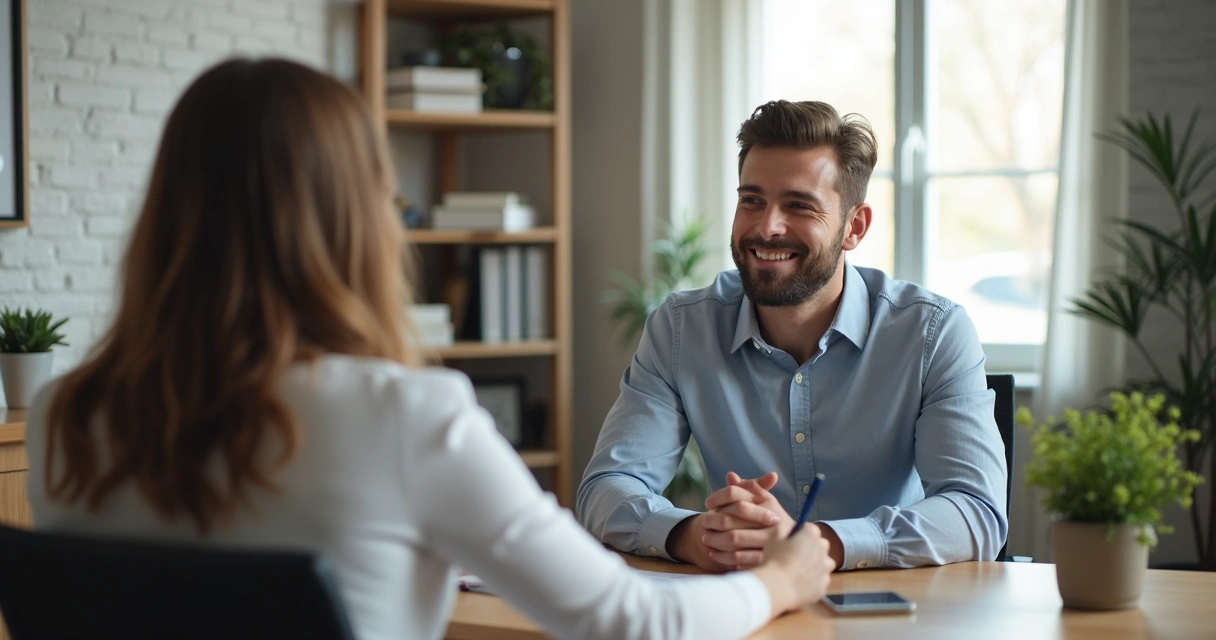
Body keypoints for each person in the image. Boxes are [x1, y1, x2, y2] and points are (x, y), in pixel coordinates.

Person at [22, 61, 835, 640]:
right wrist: (780, 580)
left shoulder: (64, 413)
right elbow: (633, 623)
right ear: (350, 218)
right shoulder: (405, 416)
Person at [577, 100, 1008, 574]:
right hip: (748, 607)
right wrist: (692, 535)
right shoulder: (681, 329)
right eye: (752, 200)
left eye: (798, 205)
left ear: (854, 227)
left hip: (888, 609)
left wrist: (814, 544)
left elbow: (976, 512)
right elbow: (606, 488)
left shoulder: (933, 333)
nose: (766, 227)